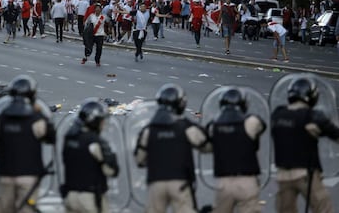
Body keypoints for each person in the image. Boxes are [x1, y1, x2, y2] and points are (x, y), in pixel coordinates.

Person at [134, 83, 208, 213]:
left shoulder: (149, 130)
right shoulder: (186, 127)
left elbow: (140, 159)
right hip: (180, 183)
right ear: (180, 104)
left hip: (156, 183)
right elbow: (206, 145)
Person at [271, 77, 339, 213]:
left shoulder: (278, 114)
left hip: (283, 175)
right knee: (323, 208)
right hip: (306, 174)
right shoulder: (312, 117)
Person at [0, 75, 55, 213]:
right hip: (29, 176)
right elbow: (51, 137)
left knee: (3, 209)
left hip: (5, 174)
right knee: (26, 209)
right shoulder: (37, 119)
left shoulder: (1, 118)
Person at [204, 88, 266, 213]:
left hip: (224, 182)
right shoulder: (250, 122)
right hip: (247, 180)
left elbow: (206, 143)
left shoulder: (214, 125)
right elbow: (262, 125)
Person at [61, 98, 119, 213]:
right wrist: (111, 157)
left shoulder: (69, 138)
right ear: (95, 121)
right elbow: (110, 171)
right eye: (101, 121)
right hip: (89, 197)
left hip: (70, 194)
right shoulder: (94, 142)